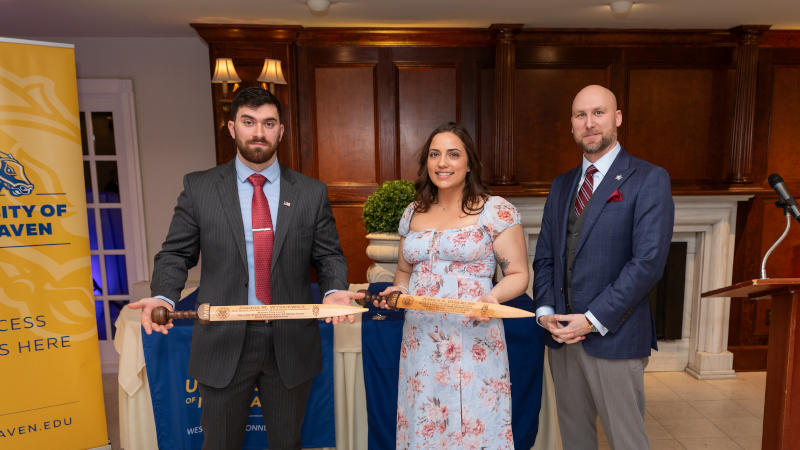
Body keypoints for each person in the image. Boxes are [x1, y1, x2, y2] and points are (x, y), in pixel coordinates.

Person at [128, 87, 364, 450]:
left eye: (269, 123)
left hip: (291, 341)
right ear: (232, 128)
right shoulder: (200, 187)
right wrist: (163, 296)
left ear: (281, 131)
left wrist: (333, 291)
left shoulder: (310, 192)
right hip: (222, 340)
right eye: (249, 122)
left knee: (288, 444)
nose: (259, 132)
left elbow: (329, 256)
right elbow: (175, 254)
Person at [532, 85, 674, 450]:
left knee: (626, 441)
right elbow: (546, 255)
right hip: (562, 337)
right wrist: (546, 312)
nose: (590, 123)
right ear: (572, 125)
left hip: (616, 337)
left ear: (617, 118)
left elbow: (647, 264)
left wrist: (592, 318)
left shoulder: (648, 178)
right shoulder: (562, 185)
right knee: (576, 439)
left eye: (599, 112)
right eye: (581, 115)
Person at [374, 122, 529, 450]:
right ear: (426, 163)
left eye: (453, 154)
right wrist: (398, 293)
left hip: (473, 334)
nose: (442, 163)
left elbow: (517, 274)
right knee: (425, 424)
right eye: (434, 154)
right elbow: (403, 272)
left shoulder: (494, 210)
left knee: (473, 425)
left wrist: (491, 297)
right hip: (420, 341)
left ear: (470, 163)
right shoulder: (413, 212)